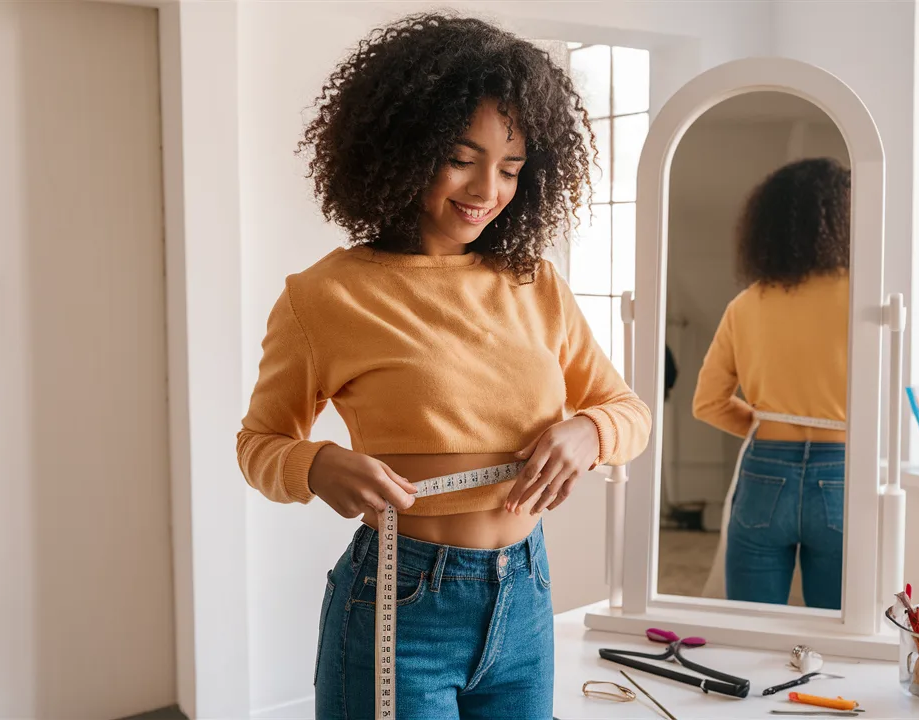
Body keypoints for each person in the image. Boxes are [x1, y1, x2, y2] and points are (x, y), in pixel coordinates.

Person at [235, 13, 651, 719]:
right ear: (405, 149)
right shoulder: (326, 296)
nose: (488, 189)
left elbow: (628, 412)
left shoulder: (534, 283)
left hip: (526, 595)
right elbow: (259, 445)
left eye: (512, 168)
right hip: (401, 599)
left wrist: (589, 432)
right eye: (463, 157)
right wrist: (315, 465)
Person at [691, 158, 850, 610]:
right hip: (842, 473)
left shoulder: (747, 303)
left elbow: (708, 404)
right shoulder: (863, 300)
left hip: (766, 472)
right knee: (838, 635)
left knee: (751, 631)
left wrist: (775, 426)